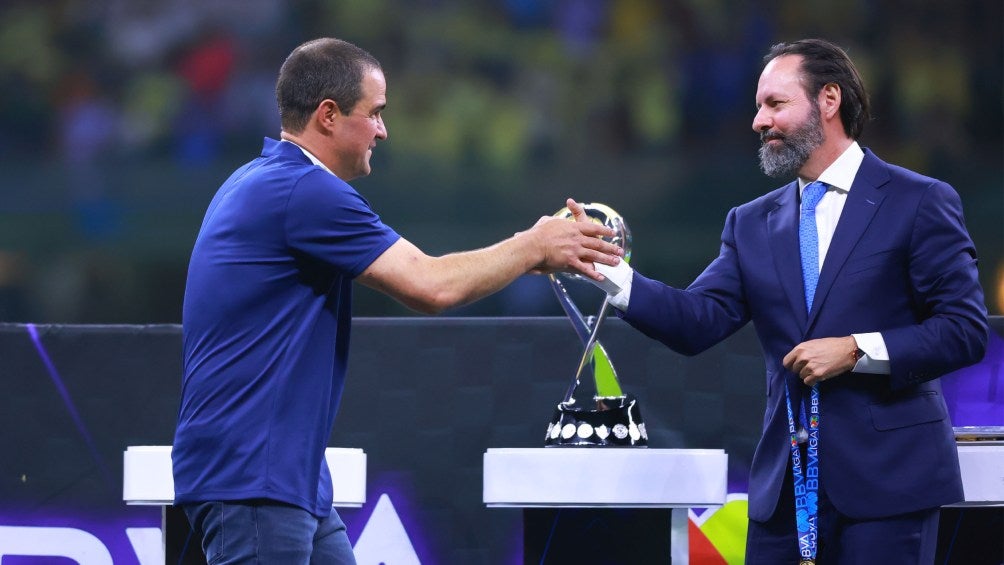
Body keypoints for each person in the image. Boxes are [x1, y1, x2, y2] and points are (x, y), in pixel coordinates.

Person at [171, 37, 623, 564]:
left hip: (285, 475)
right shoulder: (304, 191)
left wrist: (526, 256)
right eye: (375, 113)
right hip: (254, 476)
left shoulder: (259, 180)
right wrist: (534, 244)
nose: (383, 130)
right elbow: (431, 285)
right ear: (328, 115)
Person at [596, 39, 987, 563]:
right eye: (758, 106)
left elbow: (964, 329)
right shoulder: (749, 222)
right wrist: (607, 270)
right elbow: (696, 321)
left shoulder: (918, 200)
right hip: (785, 494)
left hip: (889, 488)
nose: (759, 121)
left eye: (775, 104)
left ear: (829, 100)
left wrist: (855, 349)